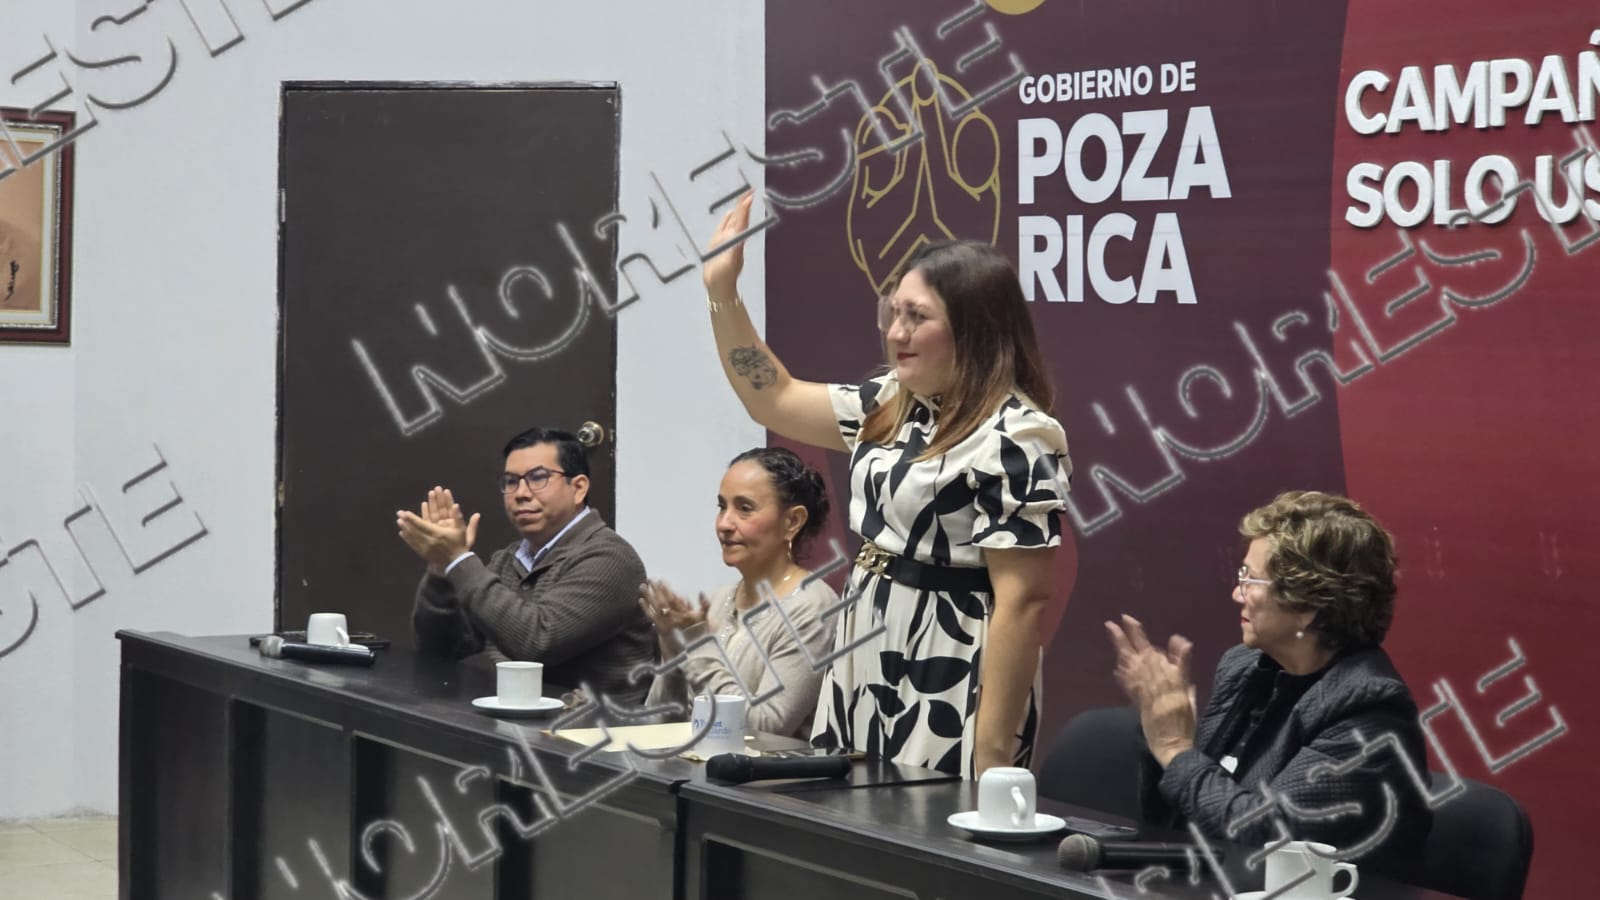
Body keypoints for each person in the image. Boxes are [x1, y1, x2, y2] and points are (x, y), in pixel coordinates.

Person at [699, 193, 1073, 778]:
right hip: (867, 644)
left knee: (928, 819)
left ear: (973, 328)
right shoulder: (894, 402)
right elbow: (772, 396)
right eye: (892, 313)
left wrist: (992, 752)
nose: (897, 332)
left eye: (917, 317)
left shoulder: (1020, 436)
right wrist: (722, 290)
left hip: (950, 661)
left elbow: (1022, 602)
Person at [1105, 491, 1432, 872]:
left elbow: (1266, 838)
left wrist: (1176, 748)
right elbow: (1182, 821)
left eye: (1250, 579)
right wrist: (1159, 725)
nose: (1236, 593)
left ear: (1308, 605)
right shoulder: (1244, 667)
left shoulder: (1372, 711)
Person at [402, 427, 654, 705]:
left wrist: (459, 560)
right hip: (512, 719)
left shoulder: (609, 559)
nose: (521, 493)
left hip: (591, 727)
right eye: (511, 481)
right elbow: (441, 649)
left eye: (538, 478)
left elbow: (537, 643)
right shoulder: (507, 559)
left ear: (578, 488)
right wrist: (441, 570)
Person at [640, 447, 840, 739]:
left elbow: (765, 728)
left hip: (765, 768)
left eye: (745, 508)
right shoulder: (718, 600)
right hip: (695, 764)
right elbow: (661, 726)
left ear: (792, 522)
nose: (724, 524)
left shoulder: (813, 608)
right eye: (722, 507)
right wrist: (672, 647)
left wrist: (697, 644)